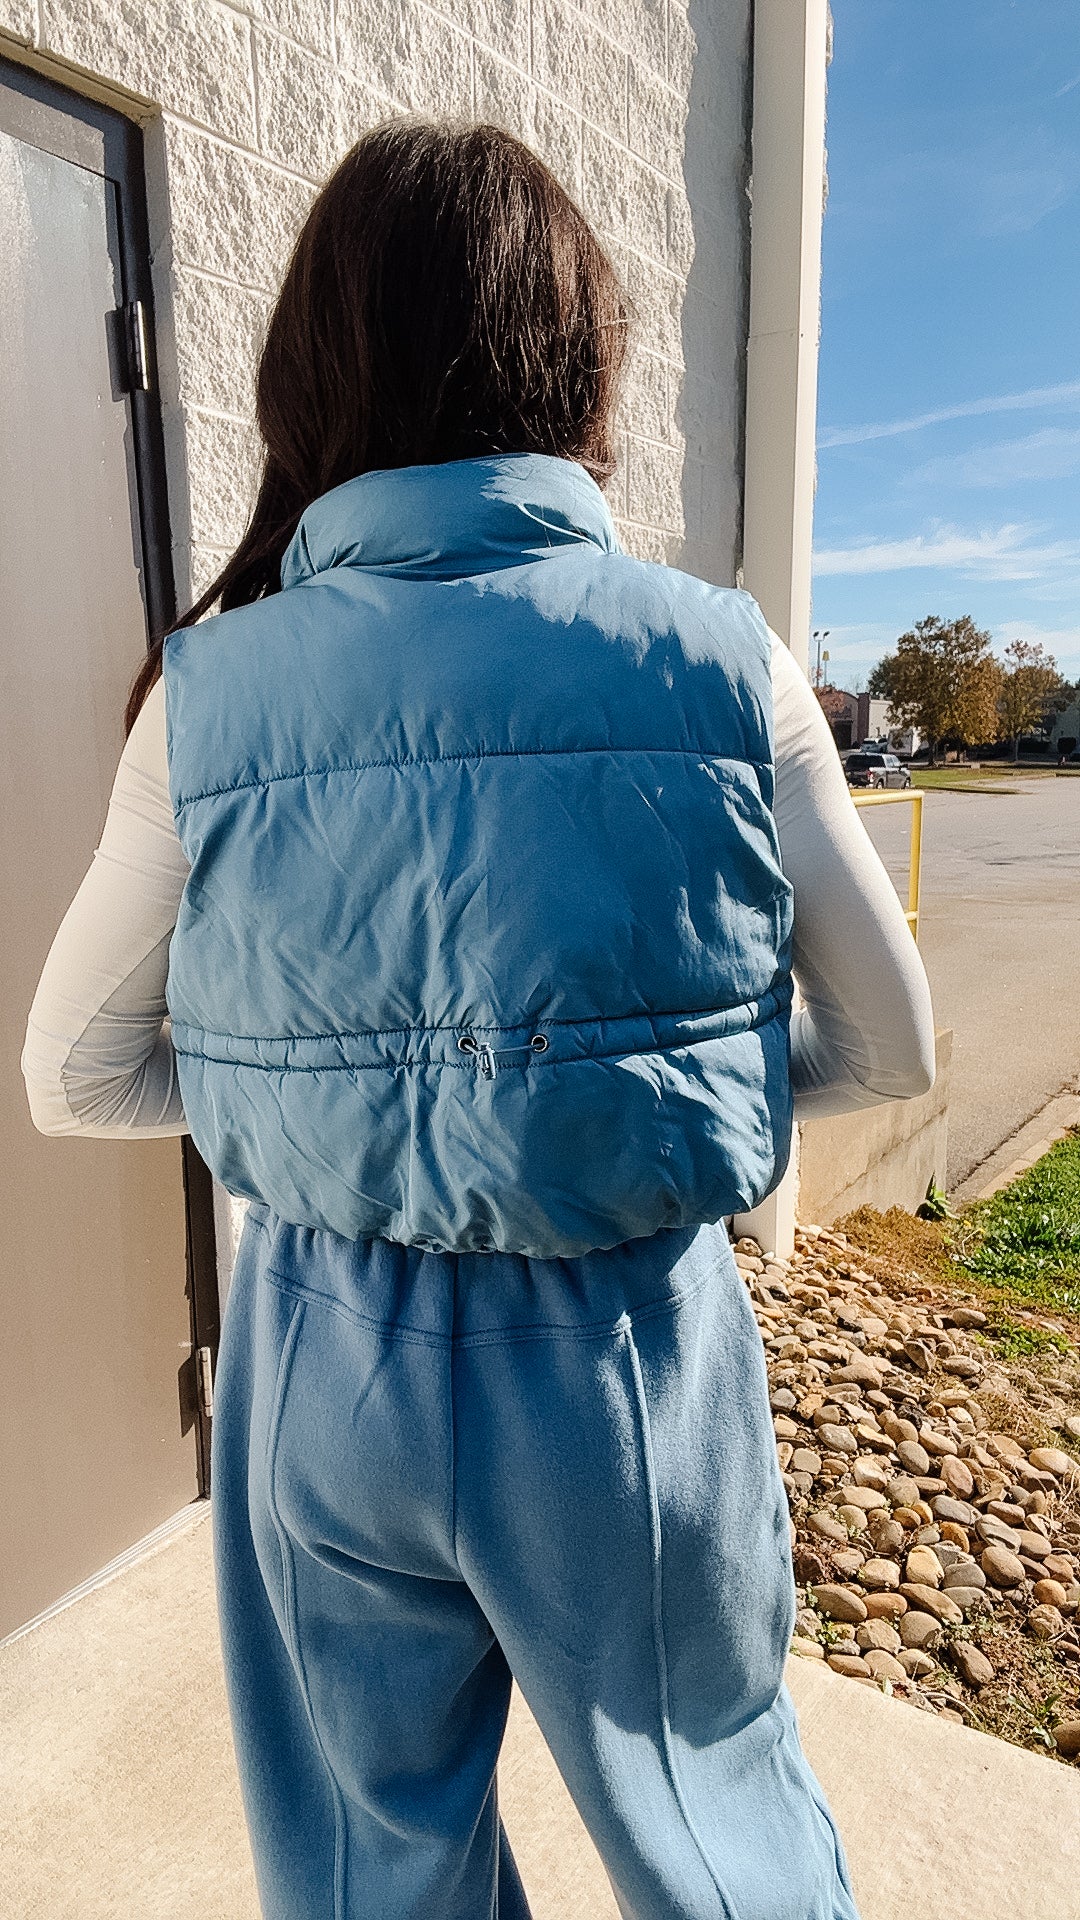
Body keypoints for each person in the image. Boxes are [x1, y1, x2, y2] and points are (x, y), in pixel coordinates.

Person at [22, 119, 935, 1920]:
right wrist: (664, 1098)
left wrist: (321, 1103)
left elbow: (73, 1076)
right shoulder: (715, 654)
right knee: (716, 1830)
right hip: (623, 1359)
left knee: (372, 1865)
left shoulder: (206, 688)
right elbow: (896, 1045)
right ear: (578, 355)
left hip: (317, 1360)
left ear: (312, 370)